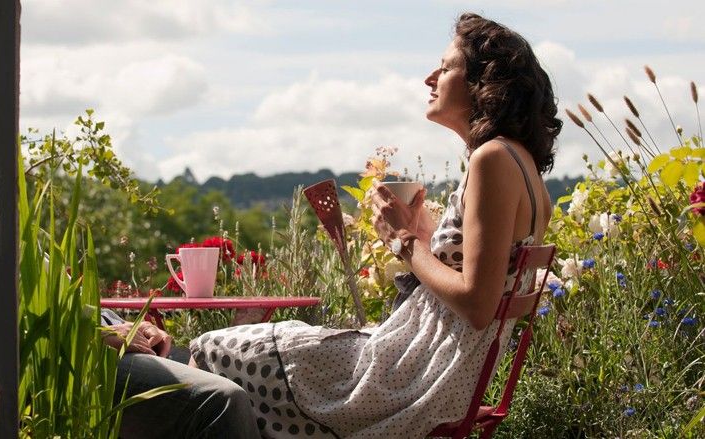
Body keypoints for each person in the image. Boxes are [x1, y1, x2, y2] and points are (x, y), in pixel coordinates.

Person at [188, 12, 562, 438]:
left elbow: (477, 304)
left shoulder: (492, 159)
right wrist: (422, 234)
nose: (430, 77)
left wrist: (403, 242)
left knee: (216, 351)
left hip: (412, 376)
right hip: (438, 372)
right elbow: (481, 279)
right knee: (260, 347)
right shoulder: (522, 167)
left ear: (484, 81)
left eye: (445, 67)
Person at [100, 309, 261, 439]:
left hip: (109, 333)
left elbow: (86, 307)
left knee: (210, 364)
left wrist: (134, 326)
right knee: (224, 398)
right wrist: (101, 334)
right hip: (95, 352)